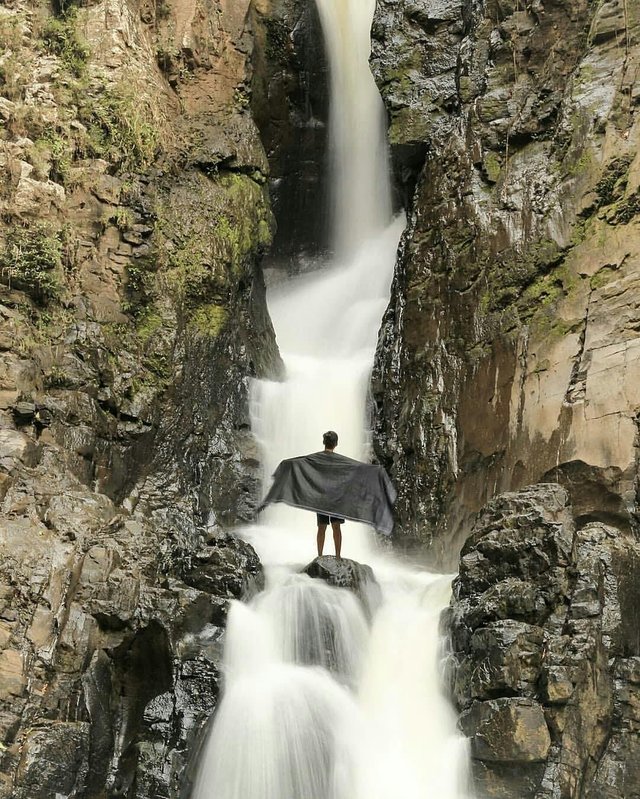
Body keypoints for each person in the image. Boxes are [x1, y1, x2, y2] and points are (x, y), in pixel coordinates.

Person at [316, 430, 344, 559]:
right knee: (336, 527)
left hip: (321, 496)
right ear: (336, 443)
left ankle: (320, 556)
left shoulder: (316, 459)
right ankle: (338, 556)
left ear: (323, 442)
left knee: (322, 527)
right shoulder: (341, 461)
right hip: (336, 497)